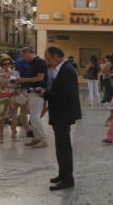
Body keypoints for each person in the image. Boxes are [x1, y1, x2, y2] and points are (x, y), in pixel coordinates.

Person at [43, 46, 81, 190]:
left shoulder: (67, 70)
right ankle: (62, 174)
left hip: (63, 114)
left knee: (64, 147)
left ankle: (67, 179)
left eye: (48, 58)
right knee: (60, 146)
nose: (48, 61)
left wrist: (46, 95)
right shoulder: (62, 69)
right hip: (60, 114)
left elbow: (66, 95)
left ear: (56, 56)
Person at [18, 47, 50, 149]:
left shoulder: (39, 62)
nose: (23, 58)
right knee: (32, 116)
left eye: (23, 56)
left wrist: (24, 80)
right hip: (33, 91)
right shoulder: (33, 63)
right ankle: (37, 137)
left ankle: (42, 139)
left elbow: (40, 78)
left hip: (38, 92)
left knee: (35, 117)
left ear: (28, 53)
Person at [0, 55, 19, 142]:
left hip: (13, 95)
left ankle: (13, 134)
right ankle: (1, 134)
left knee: (14, 115)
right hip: (4, 96)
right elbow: (2, 85)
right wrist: (8, 76)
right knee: (2, 116)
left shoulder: (15, 73)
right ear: (1, 65)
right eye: (5, 64)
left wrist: (12, 81)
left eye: (9, 63)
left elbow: (16, 84)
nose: (7, 65)